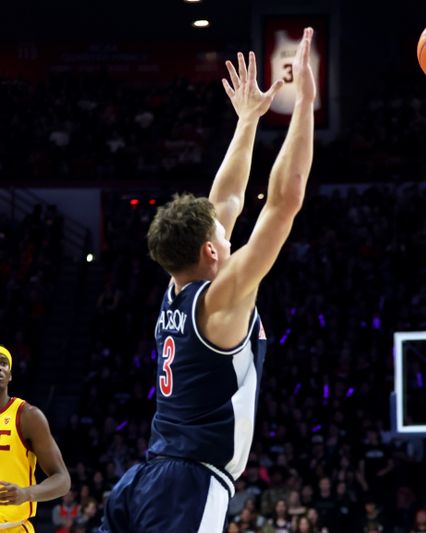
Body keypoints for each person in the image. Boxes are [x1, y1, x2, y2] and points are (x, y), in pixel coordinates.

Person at [99, 27, 317, 533]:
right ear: (210, 250)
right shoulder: (221, 298)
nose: (229, 227)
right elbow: (283, 203)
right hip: (187, 484)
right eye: (223, 233)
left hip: (143, 478)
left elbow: (226, 201)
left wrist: (247, 122)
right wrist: (303, 103)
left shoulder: (176, 288)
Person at [0, 345, 71, 532]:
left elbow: (63, 479)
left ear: (10, 375)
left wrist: (26, 493)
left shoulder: (27, 416)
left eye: (3, 363)